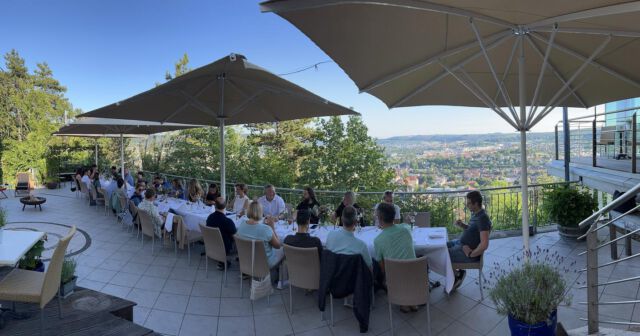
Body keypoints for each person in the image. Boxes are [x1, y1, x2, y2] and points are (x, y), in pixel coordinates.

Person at [373, 202, 416, 312]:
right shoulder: (406, 229)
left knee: (379, 268)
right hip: (415, 275)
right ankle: (412, 300)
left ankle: (403, 302)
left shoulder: (378, 240)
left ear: (380, 218)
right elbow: (406, 226)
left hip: (395, 279)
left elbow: (382, 268)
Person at [448, 190, 491, 291]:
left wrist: (471, 254)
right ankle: (457, 274)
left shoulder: (482, 219)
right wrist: (462, 225)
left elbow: (484, 244)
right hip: (461, 244)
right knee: (441, 246)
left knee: (441, 254)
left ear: (476, 204)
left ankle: (457, 275)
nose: (467, 206)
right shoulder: (476, 214)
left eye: (469, 203)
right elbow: (473, 230)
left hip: (468, 254)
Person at [237, 201, 284, 282]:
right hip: (264, 263)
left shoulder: (241, 225)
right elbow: (278, 245)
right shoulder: (266, 229)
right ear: (260, 212)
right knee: (283, 249)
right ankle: (280, 278)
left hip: (246, 261)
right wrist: (272, 227)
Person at [206, 197, 237, 269]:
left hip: (211, 245)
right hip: (224, 248)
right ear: (225, 205)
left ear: (215, 206)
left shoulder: (210, 217)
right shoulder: (228, 221)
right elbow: (235, 238)